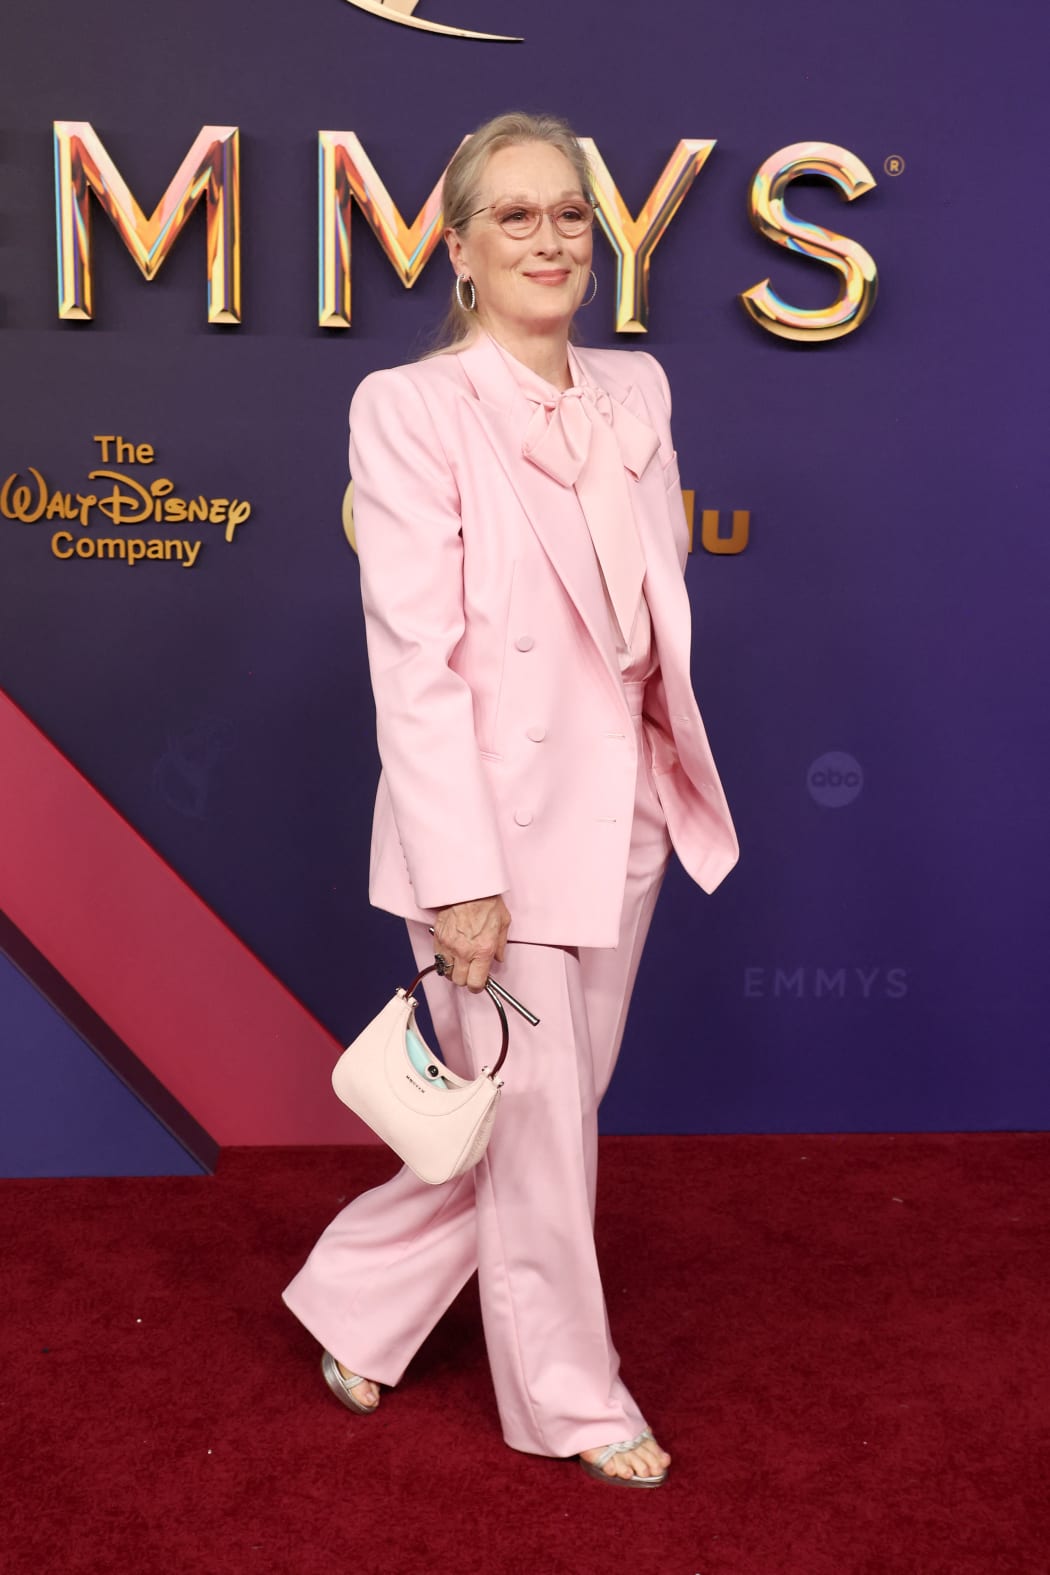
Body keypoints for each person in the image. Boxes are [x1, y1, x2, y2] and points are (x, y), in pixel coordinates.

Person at [282, 110, 739, 1488]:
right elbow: (415, 663)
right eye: (514, 216)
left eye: (566, 215)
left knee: (548, 1113)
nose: (547, 238)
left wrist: (660, 773)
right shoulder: (408, 409)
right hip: (488, 824)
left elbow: (645, 607)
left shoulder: (635, 391)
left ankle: (357, 1292)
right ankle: (570, 1398)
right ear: (460, 250)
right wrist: (457, 869)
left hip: (625, 817)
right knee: (540, 1136)